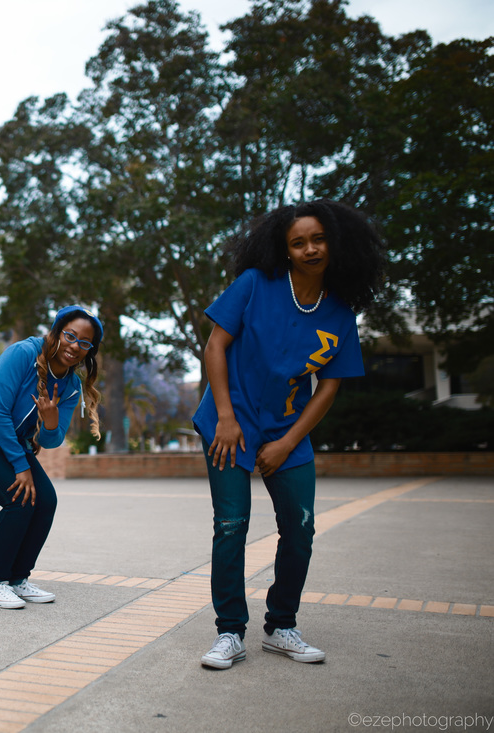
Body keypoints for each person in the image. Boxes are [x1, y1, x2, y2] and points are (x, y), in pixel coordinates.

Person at [194, 200, 386, 670]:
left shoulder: (340, 311)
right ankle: (229, 633)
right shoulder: (255, 285)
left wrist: (286, 442)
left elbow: (330, 386)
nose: (310, 249)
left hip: (288, 431)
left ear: (334, 244)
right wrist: (225, 415)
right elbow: (215, 345)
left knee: (300, 529)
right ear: (285, 248)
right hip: (229, 424)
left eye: (318, 239)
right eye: (298, 242)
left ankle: (282, 625)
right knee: (231, 526)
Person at [0, 306, 103, 609]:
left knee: (46, 501)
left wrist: (51, 421)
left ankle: (18, 579)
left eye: (84, 342)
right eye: (70, 336)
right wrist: (20, 466)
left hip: (5, 442)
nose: (74, 346)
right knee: (19, 498)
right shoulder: (23, 354)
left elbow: (51, 440)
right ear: (56, 331)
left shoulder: (70, 386)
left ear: (89, 350)